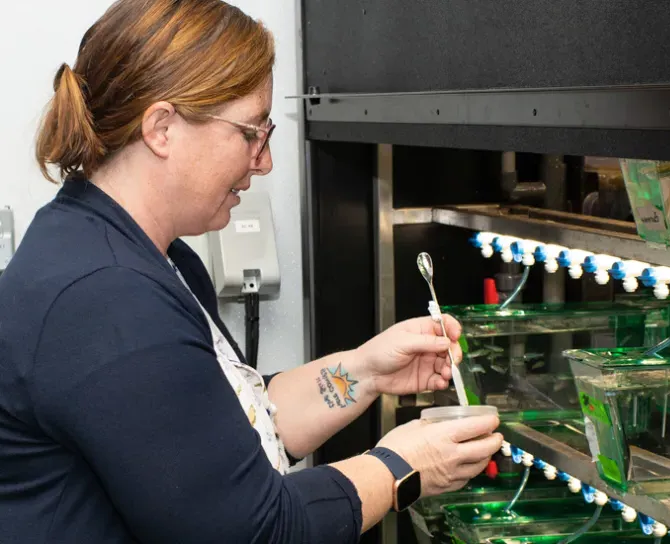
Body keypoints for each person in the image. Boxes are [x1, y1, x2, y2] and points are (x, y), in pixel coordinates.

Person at [0, 0, 503, 542]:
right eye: (250, 133)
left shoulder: (150, 255)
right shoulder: (105, 296)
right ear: (162, 128)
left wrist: (365, 373)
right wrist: (403, 468)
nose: (263, 162)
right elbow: (255, 530)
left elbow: (224, 431)